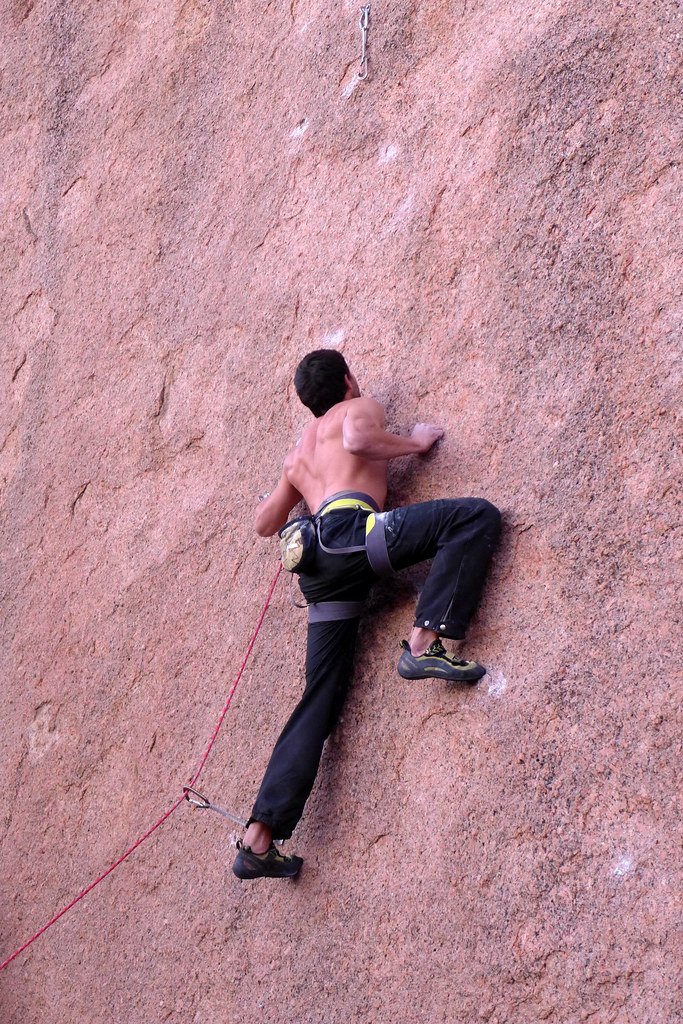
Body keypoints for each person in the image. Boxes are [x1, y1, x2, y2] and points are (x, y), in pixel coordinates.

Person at [233, 349, 500, 880]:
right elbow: (358, 440)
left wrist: (298, 490)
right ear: (348, 379)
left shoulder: (297, 454)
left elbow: (264, 523)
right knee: (474, 518)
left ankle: (259, 838)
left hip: (319, 567)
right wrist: (416, 443)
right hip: (355, 534)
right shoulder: (357, 408)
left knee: (320, 698)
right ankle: (424, 643)